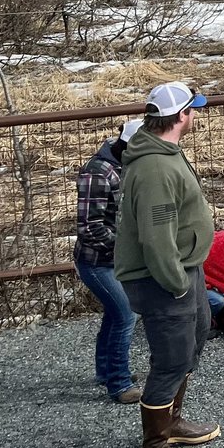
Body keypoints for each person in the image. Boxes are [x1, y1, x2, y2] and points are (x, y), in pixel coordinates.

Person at [114, 81, 219, 448]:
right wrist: (175, 282)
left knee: (192, 342)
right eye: (194, 110)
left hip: (182, 269)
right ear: (180, 116)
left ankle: (171, 424)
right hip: (164, 276)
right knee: (171, 360)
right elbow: (157, 238)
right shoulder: (155, 167)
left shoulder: (164, 151)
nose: (196, 116)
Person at [74, 117, 145, 404]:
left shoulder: (121, 165)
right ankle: (119, 382)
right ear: (128, 145)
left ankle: (106, 371)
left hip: (110, 258)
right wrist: (126, 247)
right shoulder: (98, 173)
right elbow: (90, 227)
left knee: (115, 314)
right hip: (97, 261)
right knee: (126, 314)